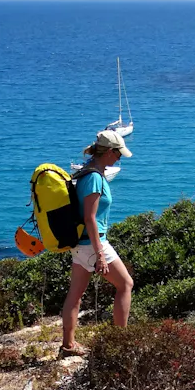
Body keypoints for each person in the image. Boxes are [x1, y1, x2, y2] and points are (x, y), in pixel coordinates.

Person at [59, 129, 134, 357]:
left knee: (75, 294)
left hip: (80, 245)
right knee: (125, 285)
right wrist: (100, 254)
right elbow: (90, 218)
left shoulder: (86, 172)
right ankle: (120, 343)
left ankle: (68, 346)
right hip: (93, 243)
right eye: (118, 154)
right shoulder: (94, 178)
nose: (119, 158)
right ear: (109, 152)